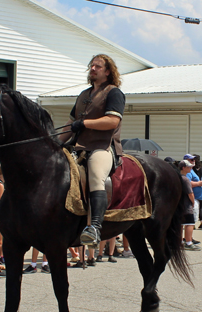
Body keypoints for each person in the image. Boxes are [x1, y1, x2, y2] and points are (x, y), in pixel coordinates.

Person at [60, 54, 125, 248]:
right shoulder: (83, 95)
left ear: (107, 71)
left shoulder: (114, 93)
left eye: (98, 66)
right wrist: (53, 142)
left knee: (96, 175)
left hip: (102, 146)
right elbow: (70, 124)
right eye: (91, 66)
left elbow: (113, 121)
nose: (93, 69)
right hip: (78, 146)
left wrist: (85, 123)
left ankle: (95, 227)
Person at [179, 160, 201, 251]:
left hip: (178, 205)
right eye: (189, 167)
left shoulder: (176, 177)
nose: (191, 168)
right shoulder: (185, 179)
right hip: (186, 205)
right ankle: (188, 242)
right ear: (183, 168)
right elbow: (190, 193)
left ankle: (179, 242)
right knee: (190, 224)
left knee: (180, 224)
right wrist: (192, 202)